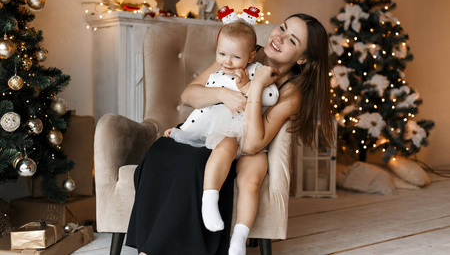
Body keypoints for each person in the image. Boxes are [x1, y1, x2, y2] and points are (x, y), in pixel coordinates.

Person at [126, 13, 335, 255]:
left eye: (292, 40)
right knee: (161, 152)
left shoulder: (291, 94)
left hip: (235, 146)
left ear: (302, 59)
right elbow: (189, 94)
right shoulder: (243, 52)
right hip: (205, 129)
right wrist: (223, 95)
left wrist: (255, 85)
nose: (279, 37)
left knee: (193, 164)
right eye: (282, 28)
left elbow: (252, 144)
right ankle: (148, 248)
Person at [163, 19, 279, 238]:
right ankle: (209, 199)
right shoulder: (216, 76)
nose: (227, 62)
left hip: (246, 131)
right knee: (225, 145)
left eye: (236, 57)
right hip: (221, 129)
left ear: (251, 56)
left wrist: (247, 85)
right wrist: (182, 131)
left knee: (244, 168)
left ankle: (237, 237)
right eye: (222, 54)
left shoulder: (257, 70)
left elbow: (272, 97)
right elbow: (201, 111)